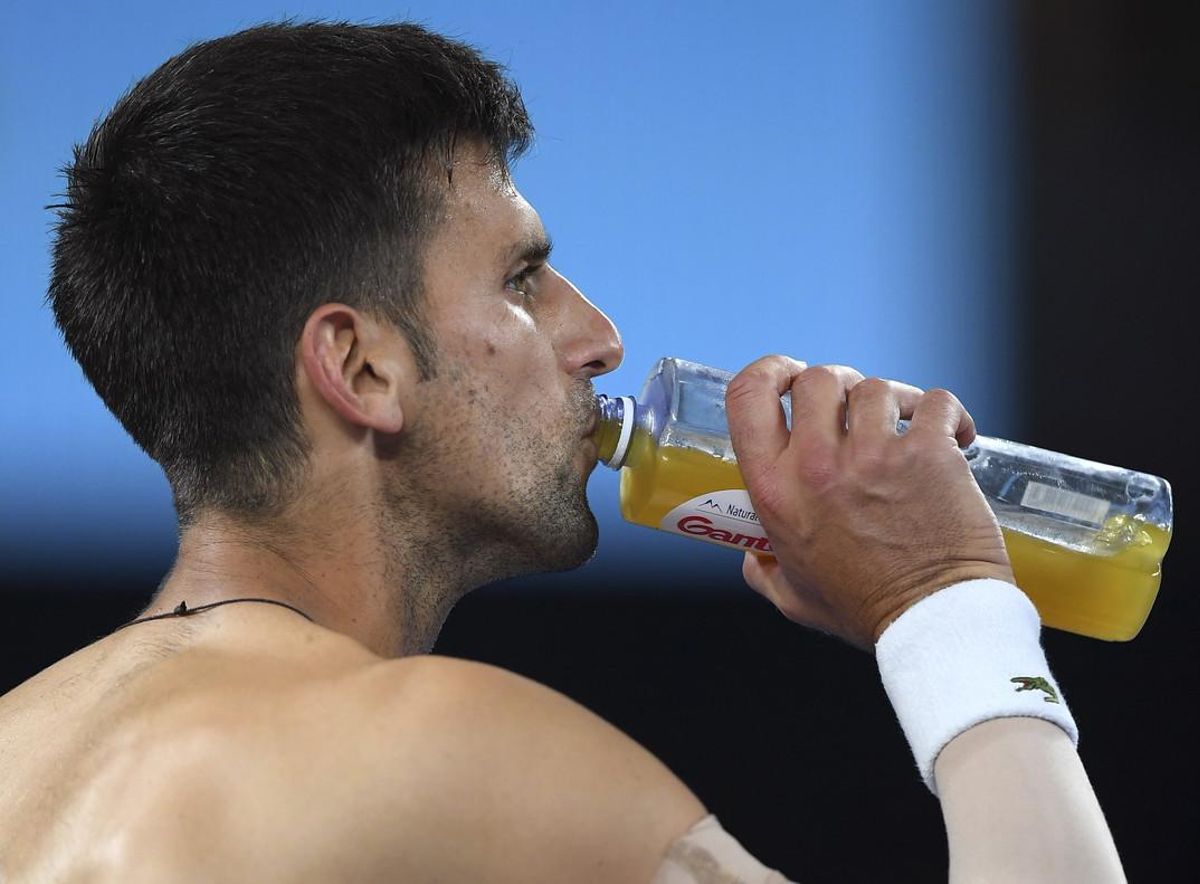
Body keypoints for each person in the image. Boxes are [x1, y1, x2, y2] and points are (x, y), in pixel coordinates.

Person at [0, 21, 1124, 882]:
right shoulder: (446, 757)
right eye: (522, 279)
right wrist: (946, 604)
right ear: (361, 368)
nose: (599, 336)